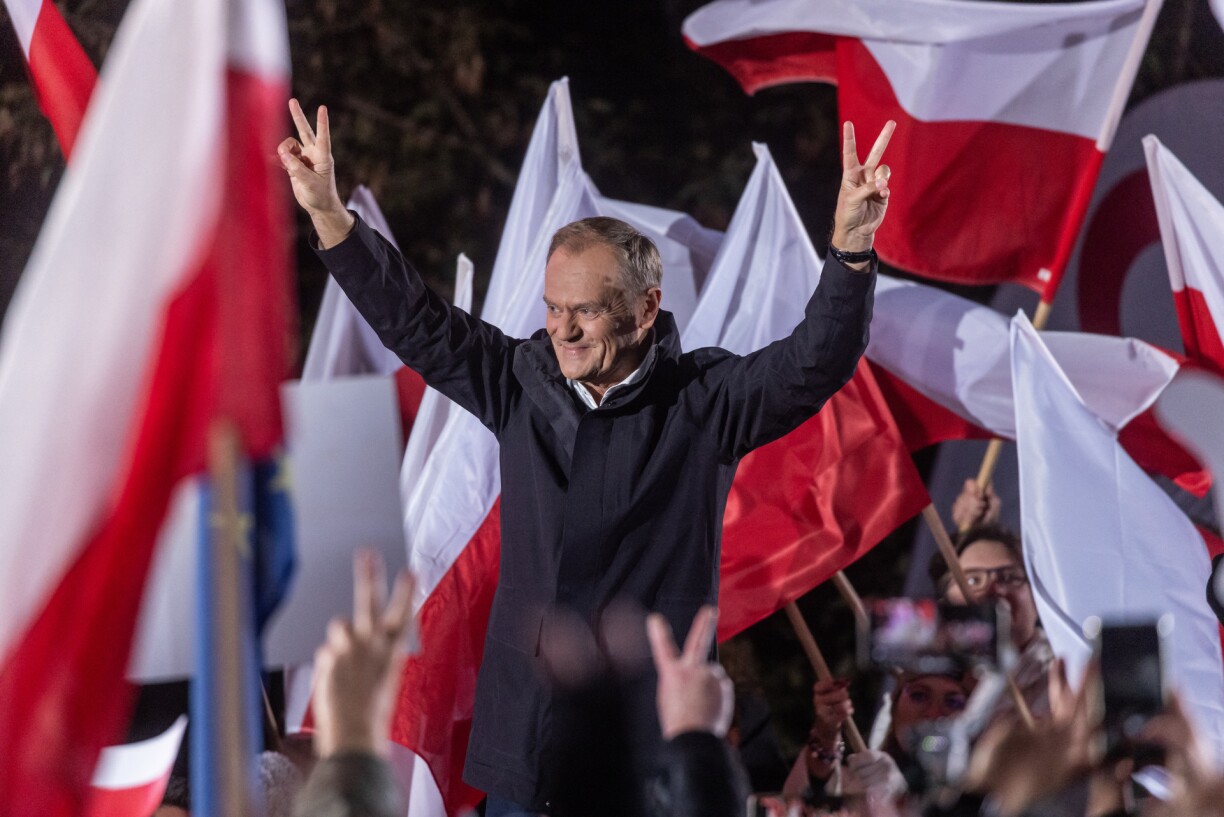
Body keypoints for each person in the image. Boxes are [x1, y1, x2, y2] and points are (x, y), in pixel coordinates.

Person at [280, 98, 895, 814]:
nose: (563, 329)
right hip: (523, 753)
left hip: (644, 758)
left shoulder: (703, 399)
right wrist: (329, 217)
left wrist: (850, 252)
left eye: (587, 310)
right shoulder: (518, 379)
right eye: (552, 307)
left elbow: (813, 362)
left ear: (644, 308)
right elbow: (414, 321)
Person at [929, 524, 1052, 721]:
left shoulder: (1067, 673)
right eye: (972, 580)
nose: (994, 590)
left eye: (1010, 577)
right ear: (944, 603)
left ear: (1037, 601)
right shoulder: (918, 680)